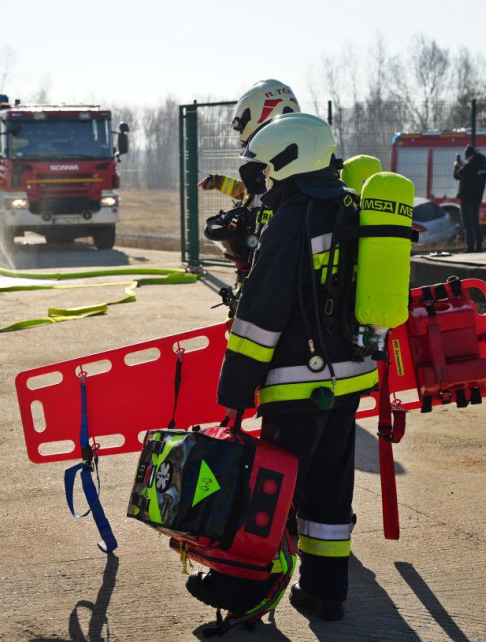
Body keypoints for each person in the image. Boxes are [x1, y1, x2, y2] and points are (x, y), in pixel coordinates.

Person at [189, 113, 379, 622]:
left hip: (298, 382)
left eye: (266, 172)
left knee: (267, 487)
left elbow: (261, 314)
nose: (263, 182)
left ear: (288, 162)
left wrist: (234, 388)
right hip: (349, 380)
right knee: (329, 490)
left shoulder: (292, 220)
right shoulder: (350, 206)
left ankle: (244, 589)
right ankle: (324, 592)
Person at [199, 80, 300, 317]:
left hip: (267, 287)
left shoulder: (276, 171)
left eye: (240, 123)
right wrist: (216, 181)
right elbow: (244, 192)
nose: (239, 131)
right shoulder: (288, 165)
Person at [453, 144, 486, 252]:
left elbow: (457, 175)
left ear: (469, 156)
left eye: (467, 157)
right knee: (475, 222)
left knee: (467, 223)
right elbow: (472, 172)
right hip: (477, 198)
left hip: (467, 198)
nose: (467, 159)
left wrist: (456, 166)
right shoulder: (484, 165)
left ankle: (470, 247)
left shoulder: (470, 166)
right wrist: (464, 165)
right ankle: (479, 246)